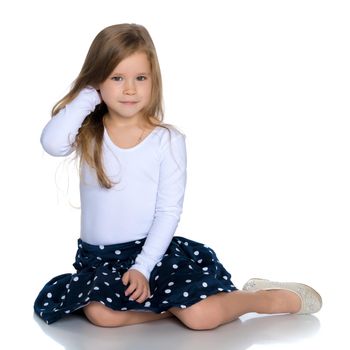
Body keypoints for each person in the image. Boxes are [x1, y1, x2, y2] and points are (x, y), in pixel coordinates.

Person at [33, 23, 322, 330]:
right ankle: (168, 309)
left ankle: (260, 297)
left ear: (153, 81)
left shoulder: (167, 140)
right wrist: (89, 94)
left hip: (152, 253)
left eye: (140, 78)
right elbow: (52, 143)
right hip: (101, 260)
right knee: (102, 316)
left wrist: (143, 267)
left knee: (201, 319)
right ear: (98, 80)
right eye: (116, 78)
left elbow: (168, 210)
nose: (129, 89)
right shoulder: (91, 133)